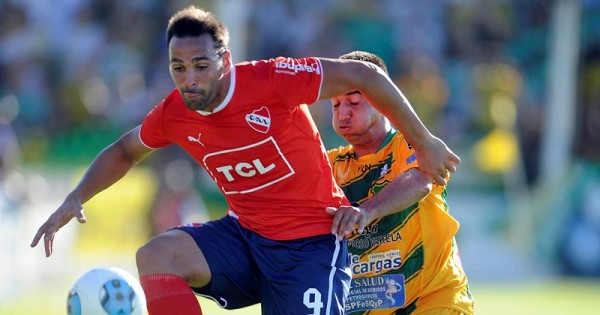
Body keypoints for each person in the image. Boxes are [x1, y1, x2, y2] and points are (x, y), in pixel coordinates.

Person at [30, 6, 460, 315]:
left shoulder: (272, 79)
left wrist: (424, 143)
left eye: (201, 64)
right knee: (158, 255)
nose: (190, 78)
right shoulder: (174, 112)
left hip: (309, 247)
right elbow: (125, 150)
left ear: (225, 61)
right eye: (178, 67)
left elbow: (366, 75)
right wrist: (75, 196)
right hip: (247, 238)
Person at [326, 51, 474, 315]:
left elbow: (419, 180)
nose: (343, 114)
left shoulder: (413, 144)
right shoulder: (331, 164)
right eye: (336, 105)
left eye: (354, 103)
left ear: (383, 100)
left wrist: (367, 211)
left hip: (434, 300)